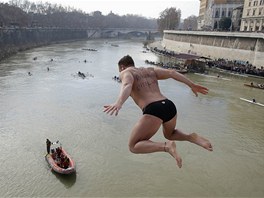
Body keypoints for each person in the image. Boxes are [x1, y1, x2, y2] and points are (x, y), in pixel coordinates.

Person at [104, 55, 213, 168]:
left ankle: (166, 146)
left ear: (122, 67)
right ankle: (191, 137)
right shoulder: (150, 70)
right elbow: (172, 73)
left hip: (153, 109)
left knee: (133, 146)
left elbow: (127, 84)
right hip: (169, 105)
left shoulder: (125, 72)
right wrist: (191, 85)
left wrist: (119, 103)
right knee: (170, 134)